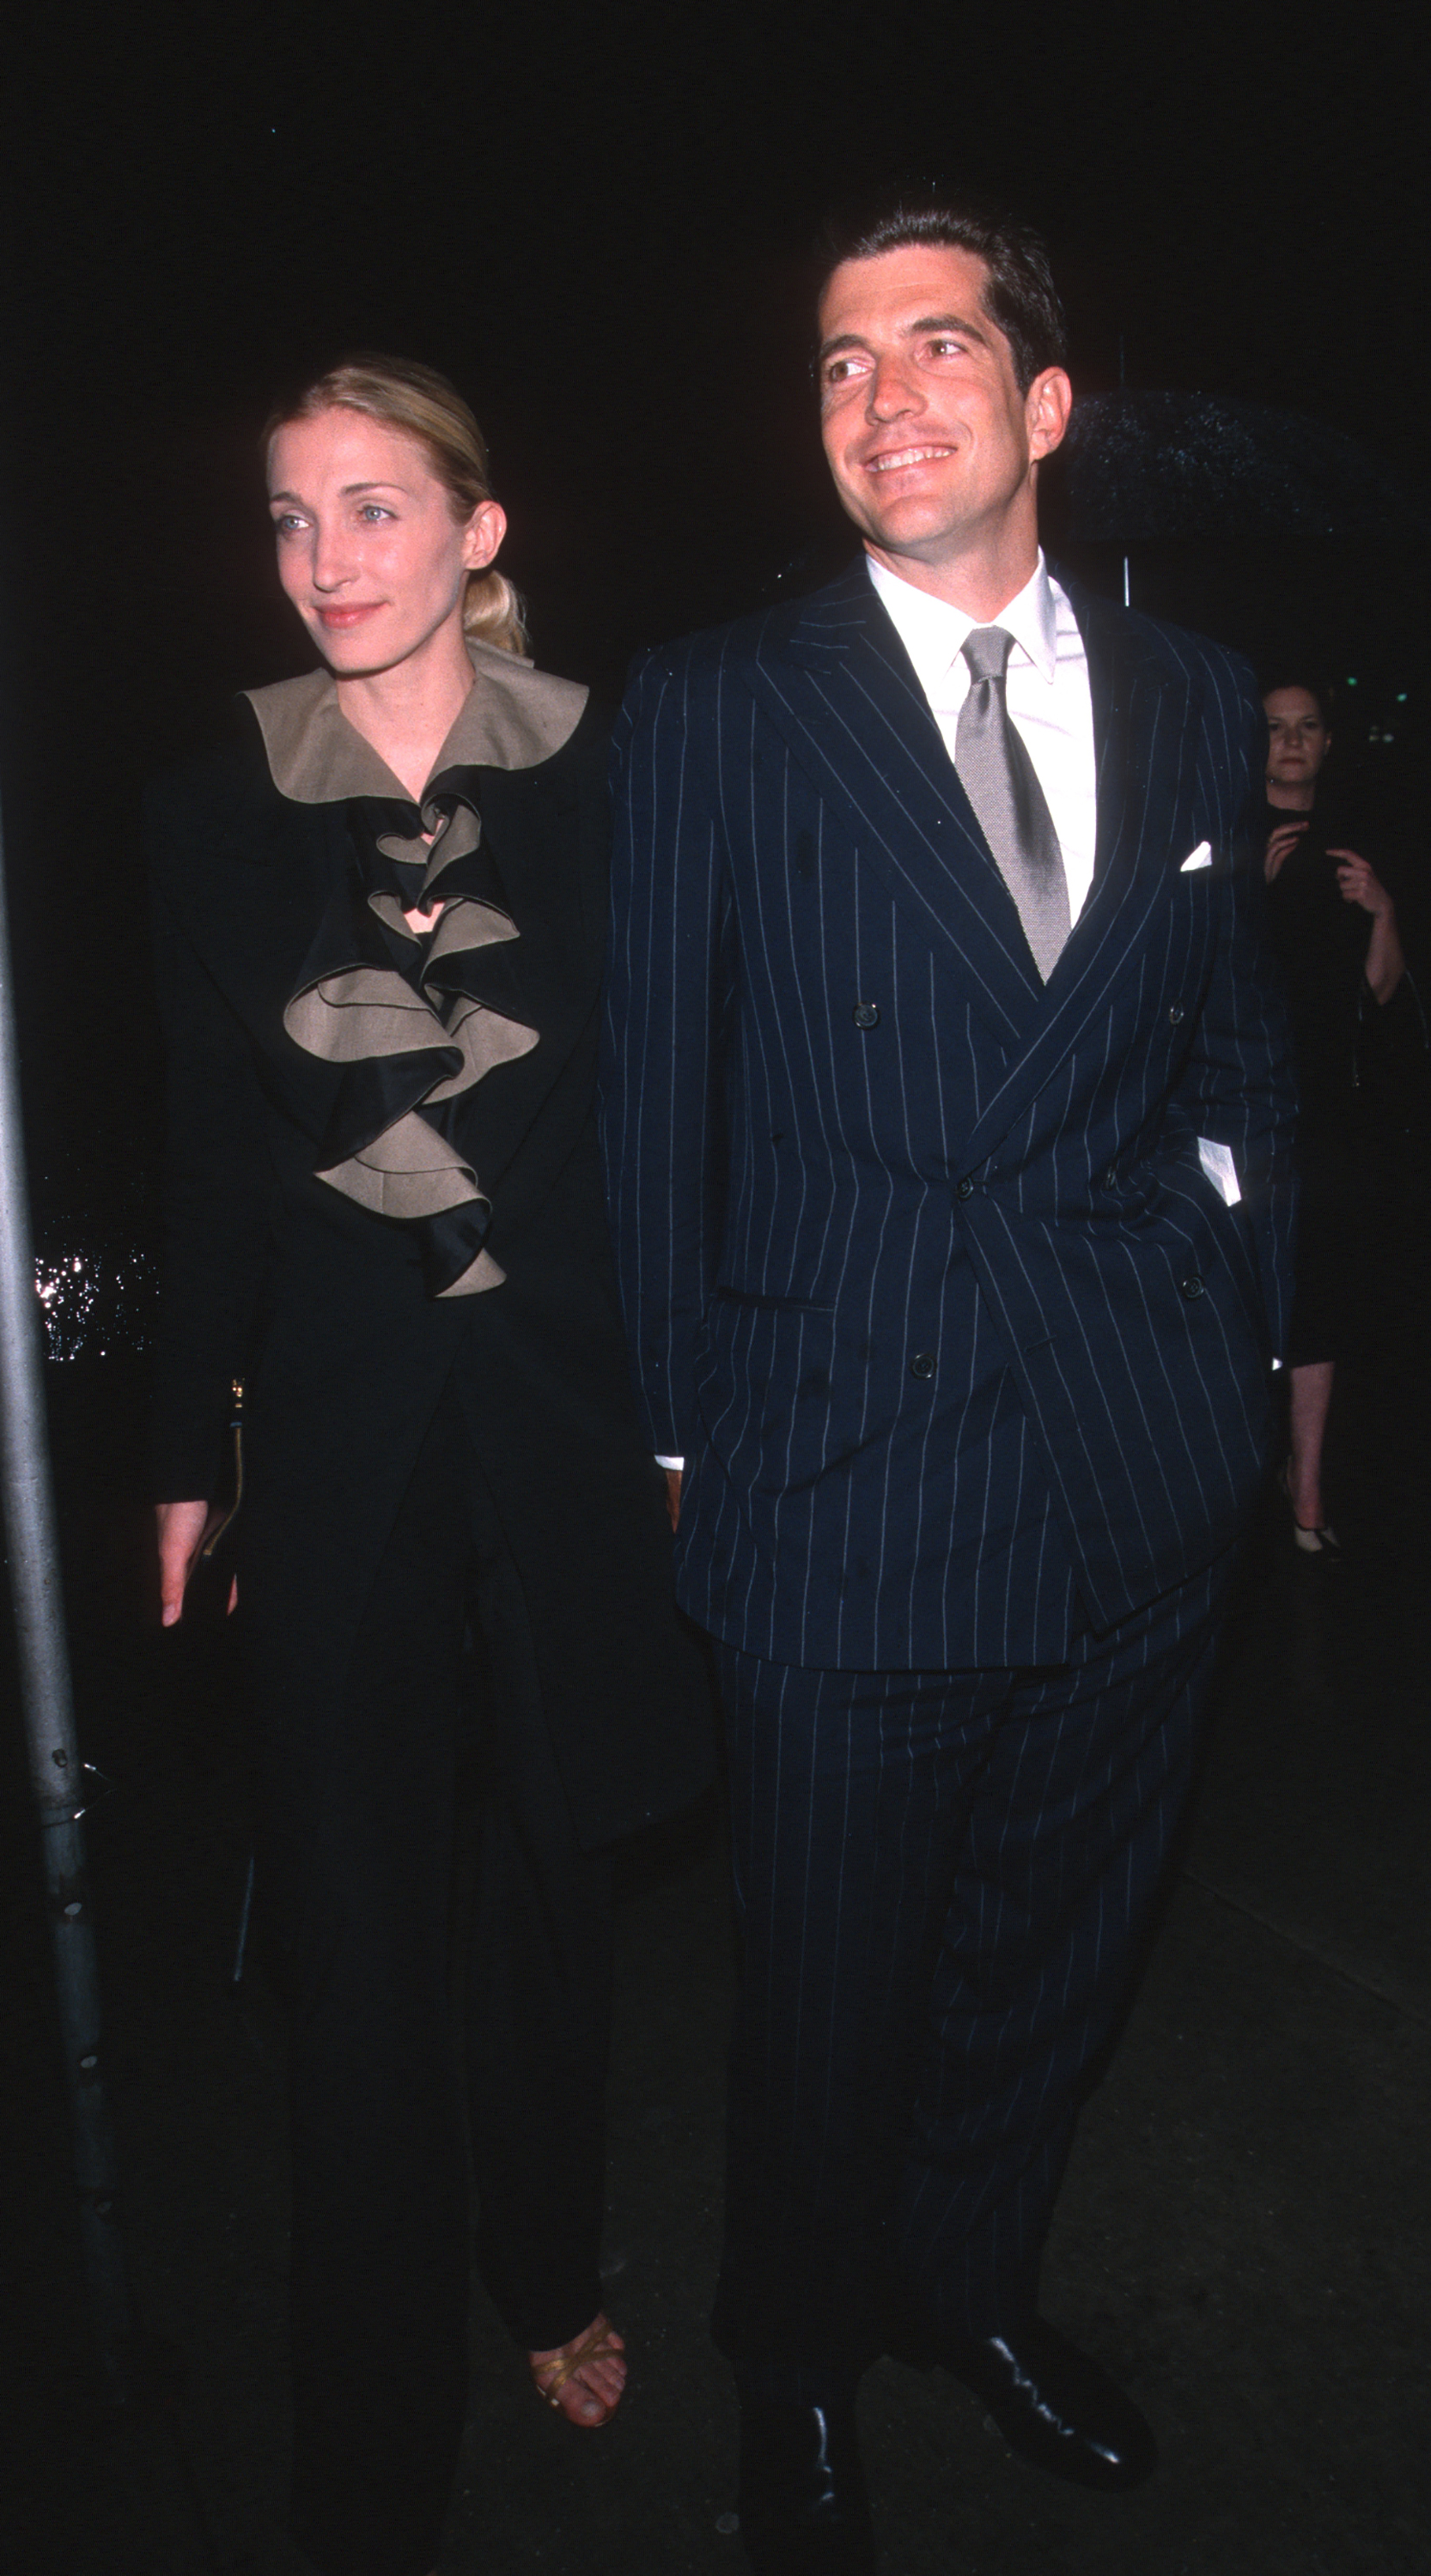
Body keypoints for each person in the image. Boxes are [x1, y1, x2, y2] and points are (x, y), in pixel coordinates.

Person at [600, 195, 1294, 2573]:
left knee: (1051, 1953)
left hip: (1135, 1469)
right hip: (849, 1481)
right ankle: (794, 2363)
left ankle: (967, 2287)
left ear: (1046, 402)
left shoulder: (1199, 698)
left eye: (935, 347)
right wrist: (695, 1447)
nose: (883, 397)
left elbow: (1244, 1062)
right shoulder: (712, 707)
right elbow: (649, 1114)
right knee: (827, 1997)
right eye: (834, 364)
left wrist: (1252, 1353)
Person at [149, 355, 711, 2576]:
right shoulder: (203, 805)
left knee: (553, 1904)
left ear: (480, 529)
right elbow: (207, 1157)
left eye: (375, 510)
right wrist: (191, 1441)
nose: (327, 562)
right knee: (365, 1956)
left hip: (578, 1437)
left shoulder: (625, 774)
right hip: (350, 1435)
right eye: (291, 519)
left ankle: (546, 2264)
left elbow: (684, 1113)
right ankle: (368, 2441)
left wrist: (692, 1414)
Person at [1261, 681, 1412, 1554]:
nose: (1290, 742)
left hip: (1324, 1109)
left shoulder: (1349, 850)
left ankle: (1306, 1485)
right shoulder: (1229, 838)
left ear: (1325, 746)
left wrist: (1380, 908)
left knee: (1318, 1287)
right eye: (1275, 729)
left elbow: (1379, 993)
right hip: (1240, 1107)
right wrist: (1252, 888)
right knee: (1246, 1292)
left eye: (1305, 727)